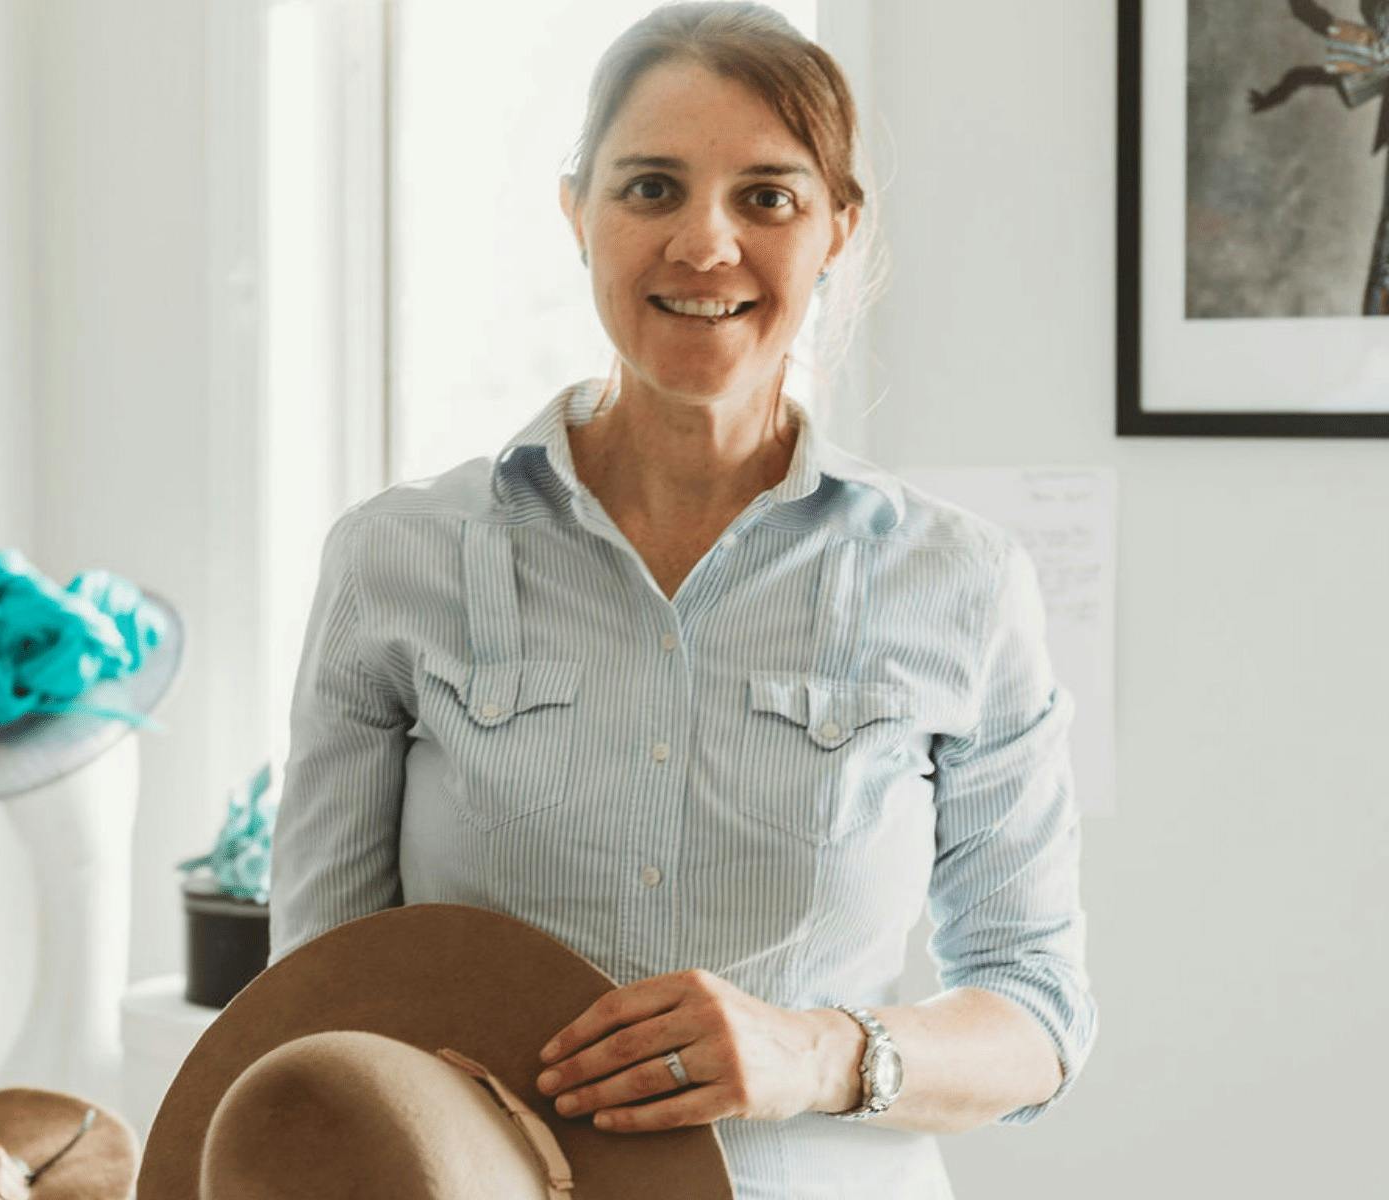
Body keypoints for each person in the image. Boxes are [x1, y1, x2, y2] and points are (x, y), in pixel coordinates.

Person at [268, 4, 1097, 1197]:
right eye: (651, 188)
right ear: (578, 214)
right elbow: (320, 997)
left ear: (837, 230)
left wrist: (812, 1050)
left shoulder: (959, 580)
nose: (704, 246)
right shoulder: (391, 560)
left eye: (767, 197)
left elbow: (1038, 1014)